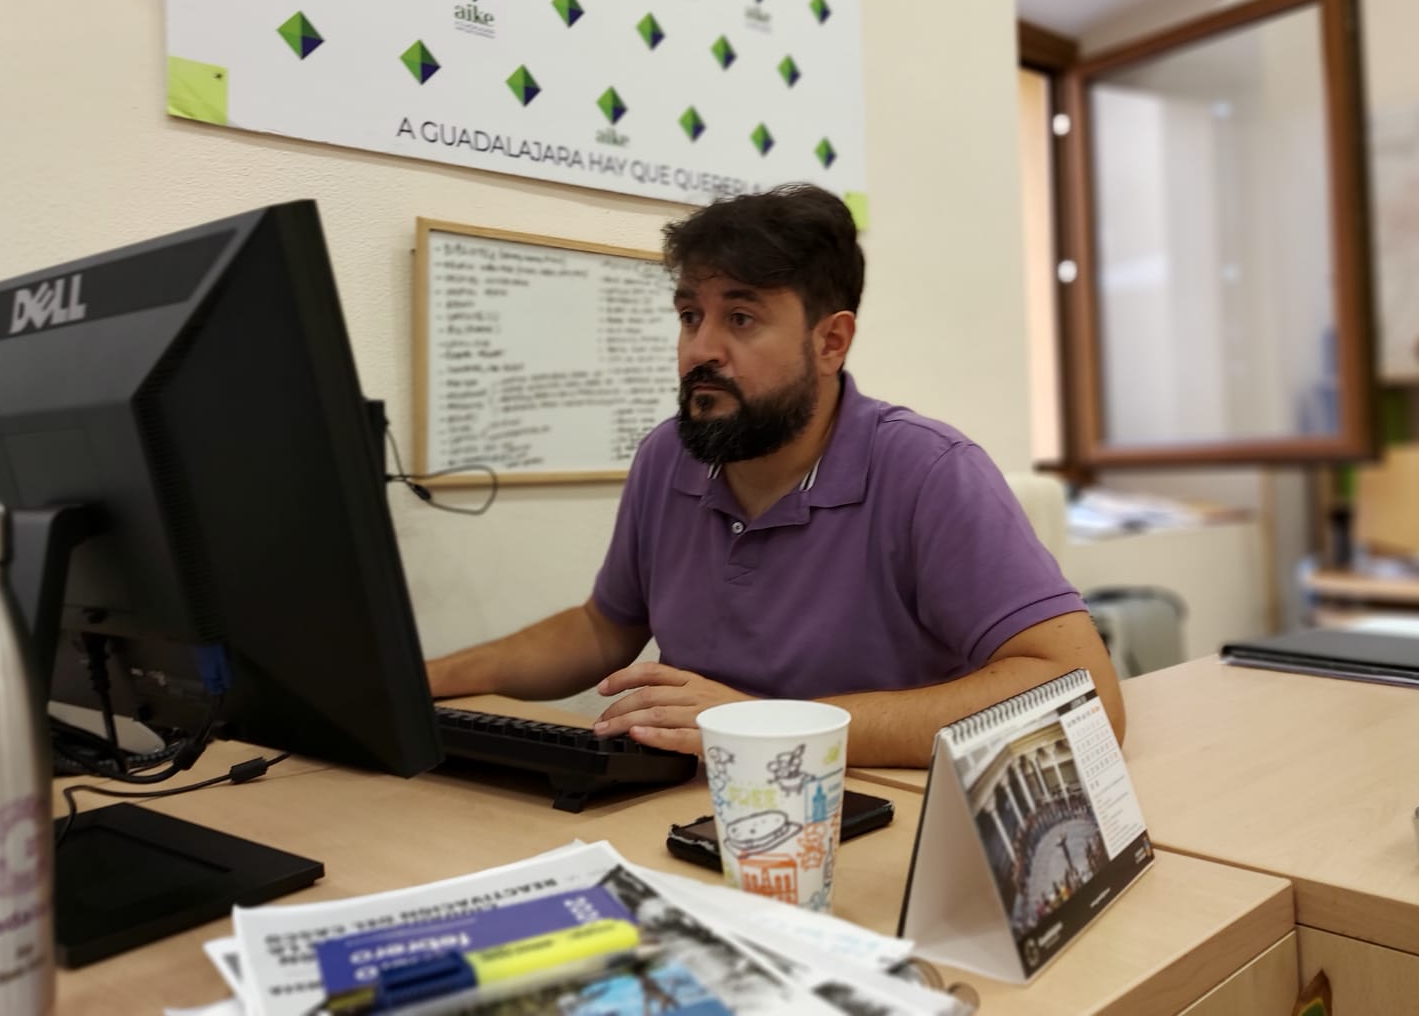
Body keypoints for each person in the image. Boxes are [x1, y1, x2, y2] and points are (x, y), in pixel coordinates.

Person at [425, 185, 1124, 767]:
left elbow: (1081, 695)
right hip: (689, 807)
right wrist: (421, 680)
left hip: (873, 819)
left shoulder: (930, 470)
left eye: (740, 317)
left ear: (830, 341)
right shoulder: (667, 456)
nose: (700, 350)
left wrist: (763, 726)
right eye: (690, 315)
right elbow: (603, 628)